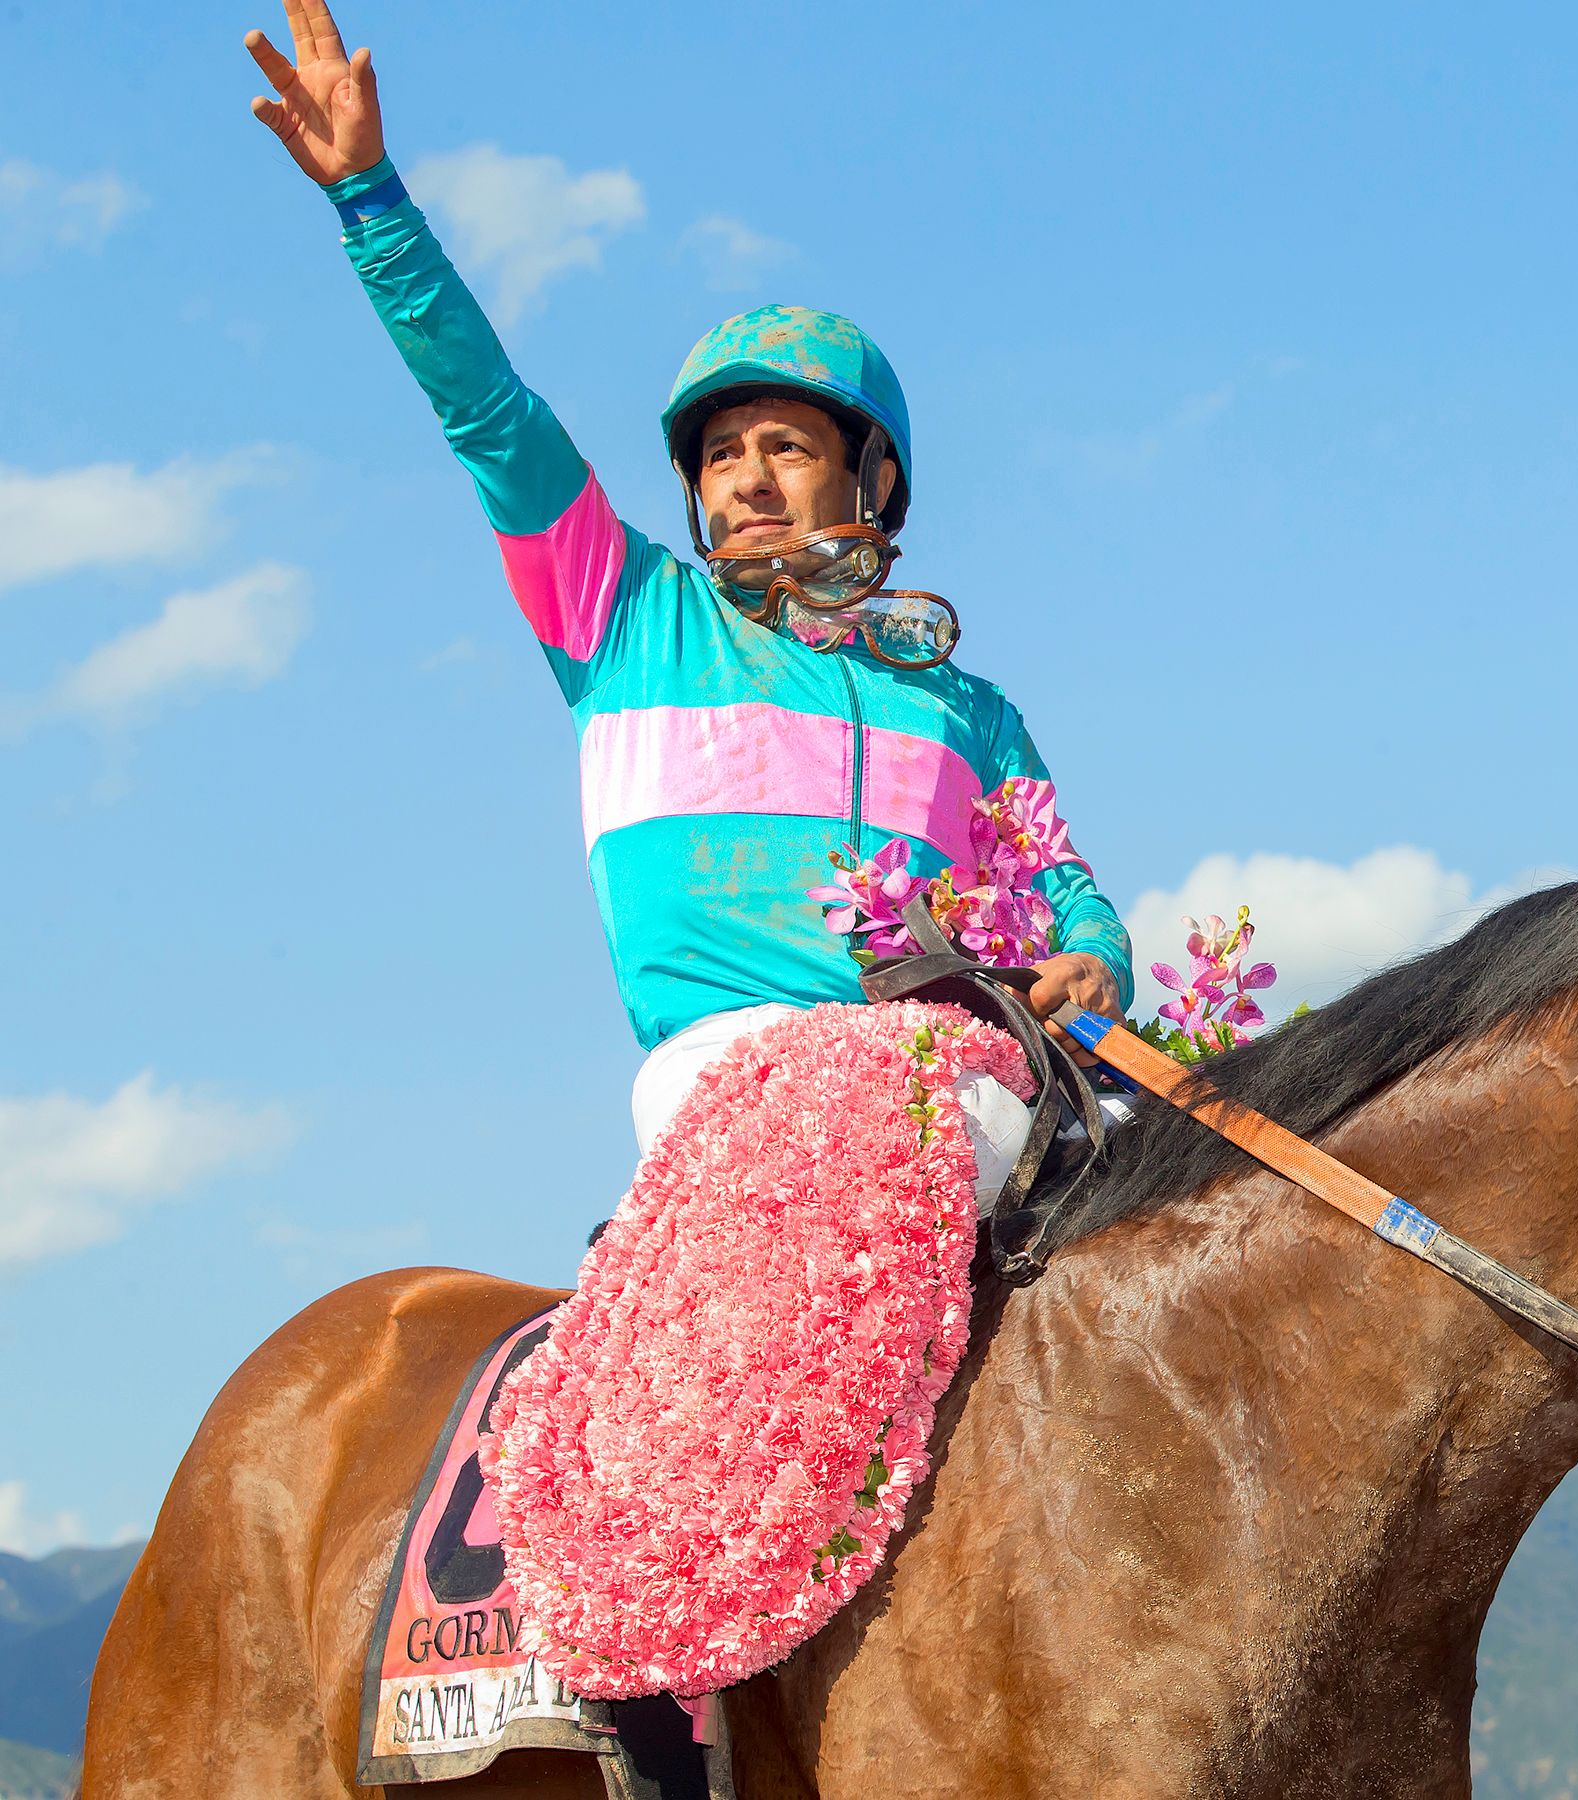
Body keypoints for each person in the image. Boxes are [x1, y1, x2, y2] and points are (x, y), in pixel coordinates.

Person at [242, 0, 1131, 1184]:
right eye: (721, 454)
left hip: (963, 1075)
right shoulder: (621, 612)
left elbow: (1067, 894)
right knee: (935, 1124)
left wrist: (1094, 961)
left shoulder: (972, 710)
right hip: (736, 1070)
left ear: (873, 476)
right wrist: (372, 204)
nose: (749, 480)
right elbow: (491, 419)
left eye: (788, 446)